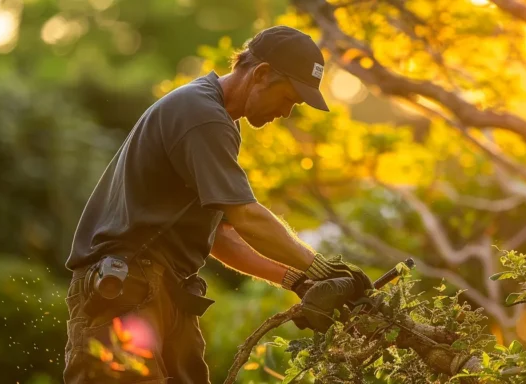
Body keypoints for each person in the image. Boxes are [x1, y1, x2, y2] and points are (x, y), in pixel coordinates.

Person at [61, 25, 372, 383]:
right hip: (125, 289)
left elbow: (224, 237)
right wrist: (322, 269)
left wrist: (299, 281)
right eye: (289, 98)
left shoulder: (219, 121)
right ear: (262, 74)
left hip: (165, 290)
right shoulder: (201, 114)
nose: (287, 112)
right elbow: (246, 217)